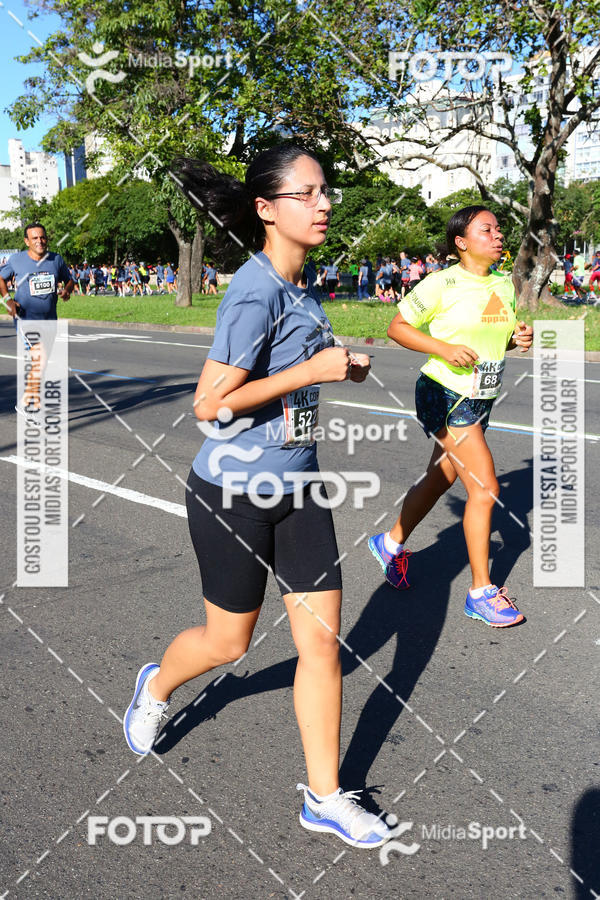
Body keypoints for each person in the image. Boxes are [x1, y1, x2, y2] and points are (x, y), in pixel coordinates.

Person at [122, 143, 391, 849]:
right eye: (307, 193)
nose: (325, 202)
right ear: (268, 209)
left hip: (299, 486)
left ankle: (324, 797)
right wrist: (314, 367)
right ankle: (156, 687)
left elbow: (295, 376)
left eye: (326, 190)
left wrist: (337, 369)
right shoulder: (254, 289)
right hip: (233, 495)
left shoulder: (305, 285)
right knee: (227, 643)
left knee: (321, 646)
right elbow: (210, 405)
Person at [368, 205, 533, 628]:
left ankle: (389, 543)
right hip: (444, 393)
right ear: (461, 242)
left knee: (441, 476)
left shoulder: (503, 283)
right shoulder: (442, 282)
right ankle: (481, 592)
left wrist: (519, 337)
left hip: (480, 396)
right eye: (487, 230)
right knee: (485, 488)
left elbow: (500, 337)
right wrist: (442, 348)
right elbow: (397, 326)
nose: (498, 236)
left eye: (498, 229)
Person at [0, 222, 73, 413]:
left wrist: (66, 290)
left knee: (41, 362)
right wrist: (8, 300)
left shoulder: (56, 259)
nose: (40, 241)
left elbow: (70, 279)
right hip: (26, 318)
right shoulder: (17, 260)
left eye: (42, 237)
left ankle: (26, 402)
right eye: (34, 238)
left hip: (49, 319)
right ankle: (34, 406)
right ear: (26, 241)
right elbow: (0, 279)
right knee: (40, 360)